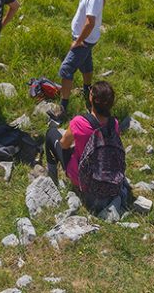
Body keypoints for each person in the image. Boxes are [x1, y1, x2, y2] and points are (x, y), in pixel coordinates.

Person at [45, 80, 125, 212]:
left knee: (51, 134)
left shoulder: (79, 122)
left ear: (91, 98)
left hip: (84, 181)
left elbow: (64, 145)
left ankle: (53, 179)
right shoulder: (114, 124)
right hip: (109, 178)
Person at [48, 0, 104, 123]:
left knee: (66, 70)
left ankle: (63, 109)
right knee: (86, 63)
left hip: (84, 39)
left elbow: (90, 22)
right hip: (88, 39)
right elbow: (102, 4)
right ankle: (88, 90)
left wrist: (78, 41)